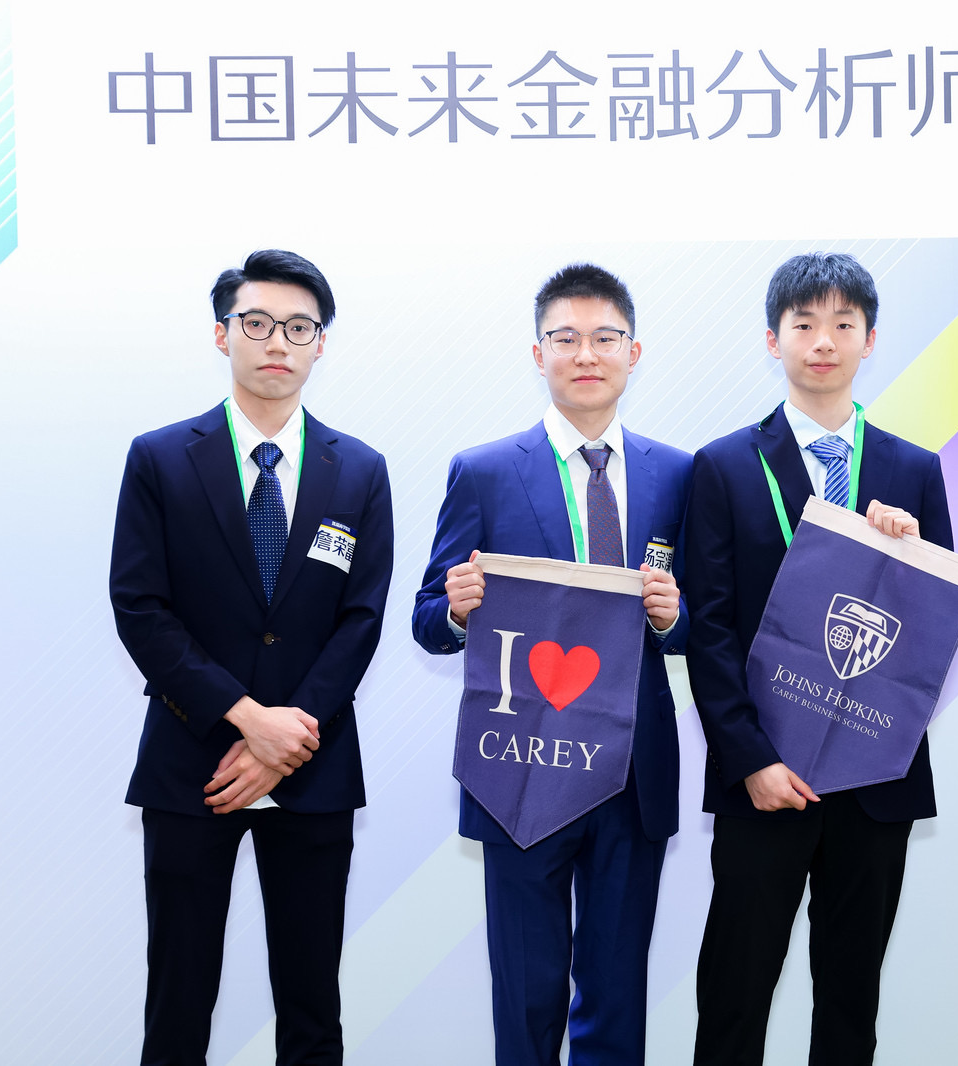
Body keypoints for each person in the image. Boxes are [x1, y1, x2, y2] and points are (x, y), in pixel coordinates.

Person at [109, 249, 395, 1066]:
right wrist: (245, 719)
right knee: (180, 997)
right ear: (222, 333)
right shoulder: (161, 458)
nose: (278, 341)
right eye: (258, 323)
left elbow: (362, 618)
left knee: (312, 1004)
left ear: (320, 345)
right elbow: (140, 606)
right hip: (191, 759)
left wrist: (290, 735)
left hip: (314, 764)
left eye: (299, 327)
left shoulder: (360, 469)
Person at [411, 263, 691, 1066]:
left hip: (632, 770)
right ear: (538, 354)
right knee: (526, 994)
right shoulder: (487, 470)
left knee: (614, 993)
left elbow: (705, 625)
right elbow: (429, 621)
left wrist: (675, 621)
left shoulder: (678, 473)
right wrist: (459, 607)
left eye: (605, 338)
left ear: (635, 352)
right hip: (521, 769)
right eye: (565, 339)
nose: (586, 355)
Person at [684, 252, 952, 1066]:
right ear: (774, 339)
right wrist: (751, 760)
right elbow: (711, 629)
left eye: (843, 324)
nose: (823, 341)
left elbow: (932, 630)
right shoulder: (724, 465)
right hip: (765, 779)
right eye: (804, 324)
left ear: (870, 340)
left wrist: (906, 557)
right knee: (736, 987)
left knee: (850, 992)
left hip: (874, 778)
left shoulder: (914, 468)